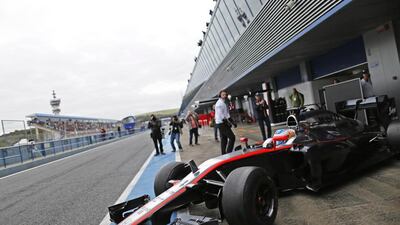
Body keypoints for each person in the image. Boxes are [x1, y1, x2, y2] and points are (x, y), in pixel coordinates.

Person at [215, 90, 237, 155]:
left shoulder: (223, 103)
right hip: (221, 123)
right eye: (223, 95)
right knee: (232, 137)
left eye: (225, 95)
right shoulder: (219, 104)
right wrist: (228, 122)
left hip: (221, 123)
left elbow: (227, 114)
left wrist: (232, 122)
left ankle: (224, 154)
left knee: (224, 140)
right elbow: (220, 115)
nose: (224, 96)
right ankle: (228, 153)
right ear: (220, 95)